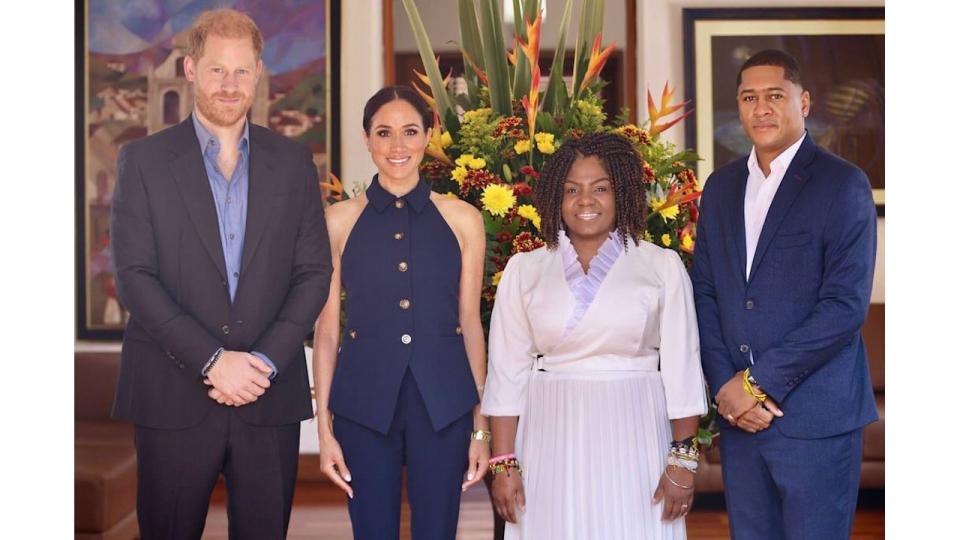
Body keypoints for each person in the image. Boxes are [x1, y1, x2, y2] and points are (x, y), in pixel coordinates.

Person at [109, 8, 332, 539]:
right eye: (216, 70)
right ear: (190, 70)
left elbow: (313, 273)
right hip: (172, 394)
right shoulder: (141, 162)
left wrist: (258, 362)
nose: (229, 85)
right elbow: (135, 277)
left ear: (257, 72)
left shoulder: (295, 162)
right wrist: (212, 361)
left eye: (241, 71)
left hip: (266, 393)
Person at [482, 133, 708, 539]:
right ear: (556, 197)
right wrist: (504, 461)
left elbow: (683, 368)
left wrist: (682, 460)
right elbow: (506, 372)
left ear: (621, 193)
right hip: (549, 434)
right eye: (572, 190)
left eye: (600, 188)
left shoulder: (661, 265)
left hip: (636, 429)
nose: (586, 201)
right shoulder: (525, 269)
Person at [691, 49, 878, 540]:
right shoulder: (720, 187)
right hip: (740, 422)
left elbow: (844, 307)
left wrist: (755, 385)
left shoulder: (842, 184)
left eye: (775, 95)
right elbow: (705, 293)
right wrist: (726, 391)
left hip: (814, 418)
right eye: (749, 98)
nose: (761, 108)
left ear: (805, 101)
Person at [312, 86, 491, 539]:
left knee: (438, 531)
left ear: (428, 136)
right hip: (362, 405)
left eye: (410, 132)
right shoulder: (338, 221)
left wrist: (481, 428)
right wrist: (324, 432)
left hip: (445, 404)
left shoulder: (462, 219)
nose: (397, 146)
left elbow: (470, 324)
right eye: (384, 133)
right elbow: (328, 331)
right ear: (367, 139)